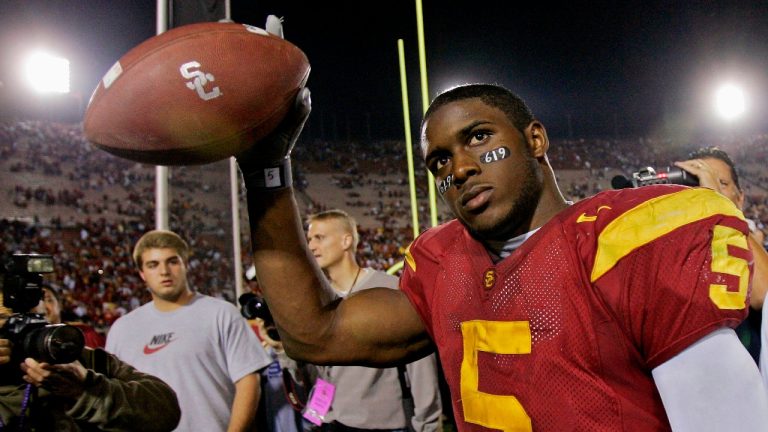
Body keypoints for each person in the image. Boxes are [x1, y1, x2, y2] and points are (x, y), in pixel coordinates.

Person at [236, 83, 768, 431]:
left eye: (479, 138)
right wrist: (266, 168)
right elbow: (316, 333)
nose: (459, 168)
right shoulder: (443, 263)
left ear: (535, 138)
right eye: (439, 160)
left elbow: (725, 420)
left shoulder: (630, 237)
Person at [105, 230, 272, 432]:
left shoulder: (221, 314)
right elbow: (115, 396)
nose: (164, 271)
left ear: (185, 264)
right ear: (142, 273)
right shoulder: (122, 330)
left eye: (172, 261)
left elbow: (248, 382)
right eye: (153, 265)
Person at [305, 209, 442, 432]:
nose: (311, 246)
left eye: (319, 238)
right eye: (309, 239)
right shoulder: (319, 299)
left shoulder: (388, 288)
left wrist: (428, 425)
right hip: (335, 423)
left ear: (346, 240)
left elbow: (419, 363)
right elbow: (322, 370)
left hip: (388, 425)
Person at [0, 285, 181, 431]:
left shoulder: (82, 359)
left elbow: (166, 412)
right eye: (5, 319)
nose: (24, 330)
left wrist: (85, 390)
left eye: (35, 319)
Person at [674, 147, 768, 362]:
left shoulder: (762, 251)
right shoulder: (674, 259)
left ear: (740, 198)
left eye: (721, 184)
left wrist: (719, 207)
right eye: (699, 182)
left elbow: (764, 297)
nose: (709, 189)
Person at [34, 285, 106, 348]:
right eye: (36, 301)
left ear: (60, 304)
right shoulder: (28, 341)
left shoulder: (84, 334)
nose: (41, 306)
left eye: (48, 300)